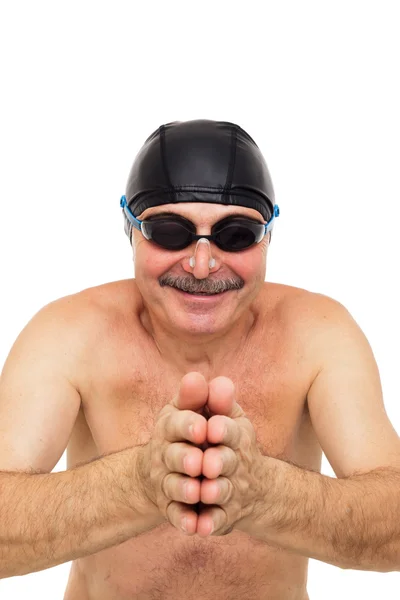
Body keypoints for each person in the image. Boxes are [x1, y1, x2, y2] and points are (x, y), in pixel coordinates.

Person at [0, 120, 399, 600]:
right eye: (171, 232)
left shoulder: (319, 335)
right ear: (130, 227)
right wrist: (139, 485)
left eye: (235, 235)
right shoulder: (70, 334)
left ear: (269, 234)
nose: (203, 264)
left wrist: (265, 493)